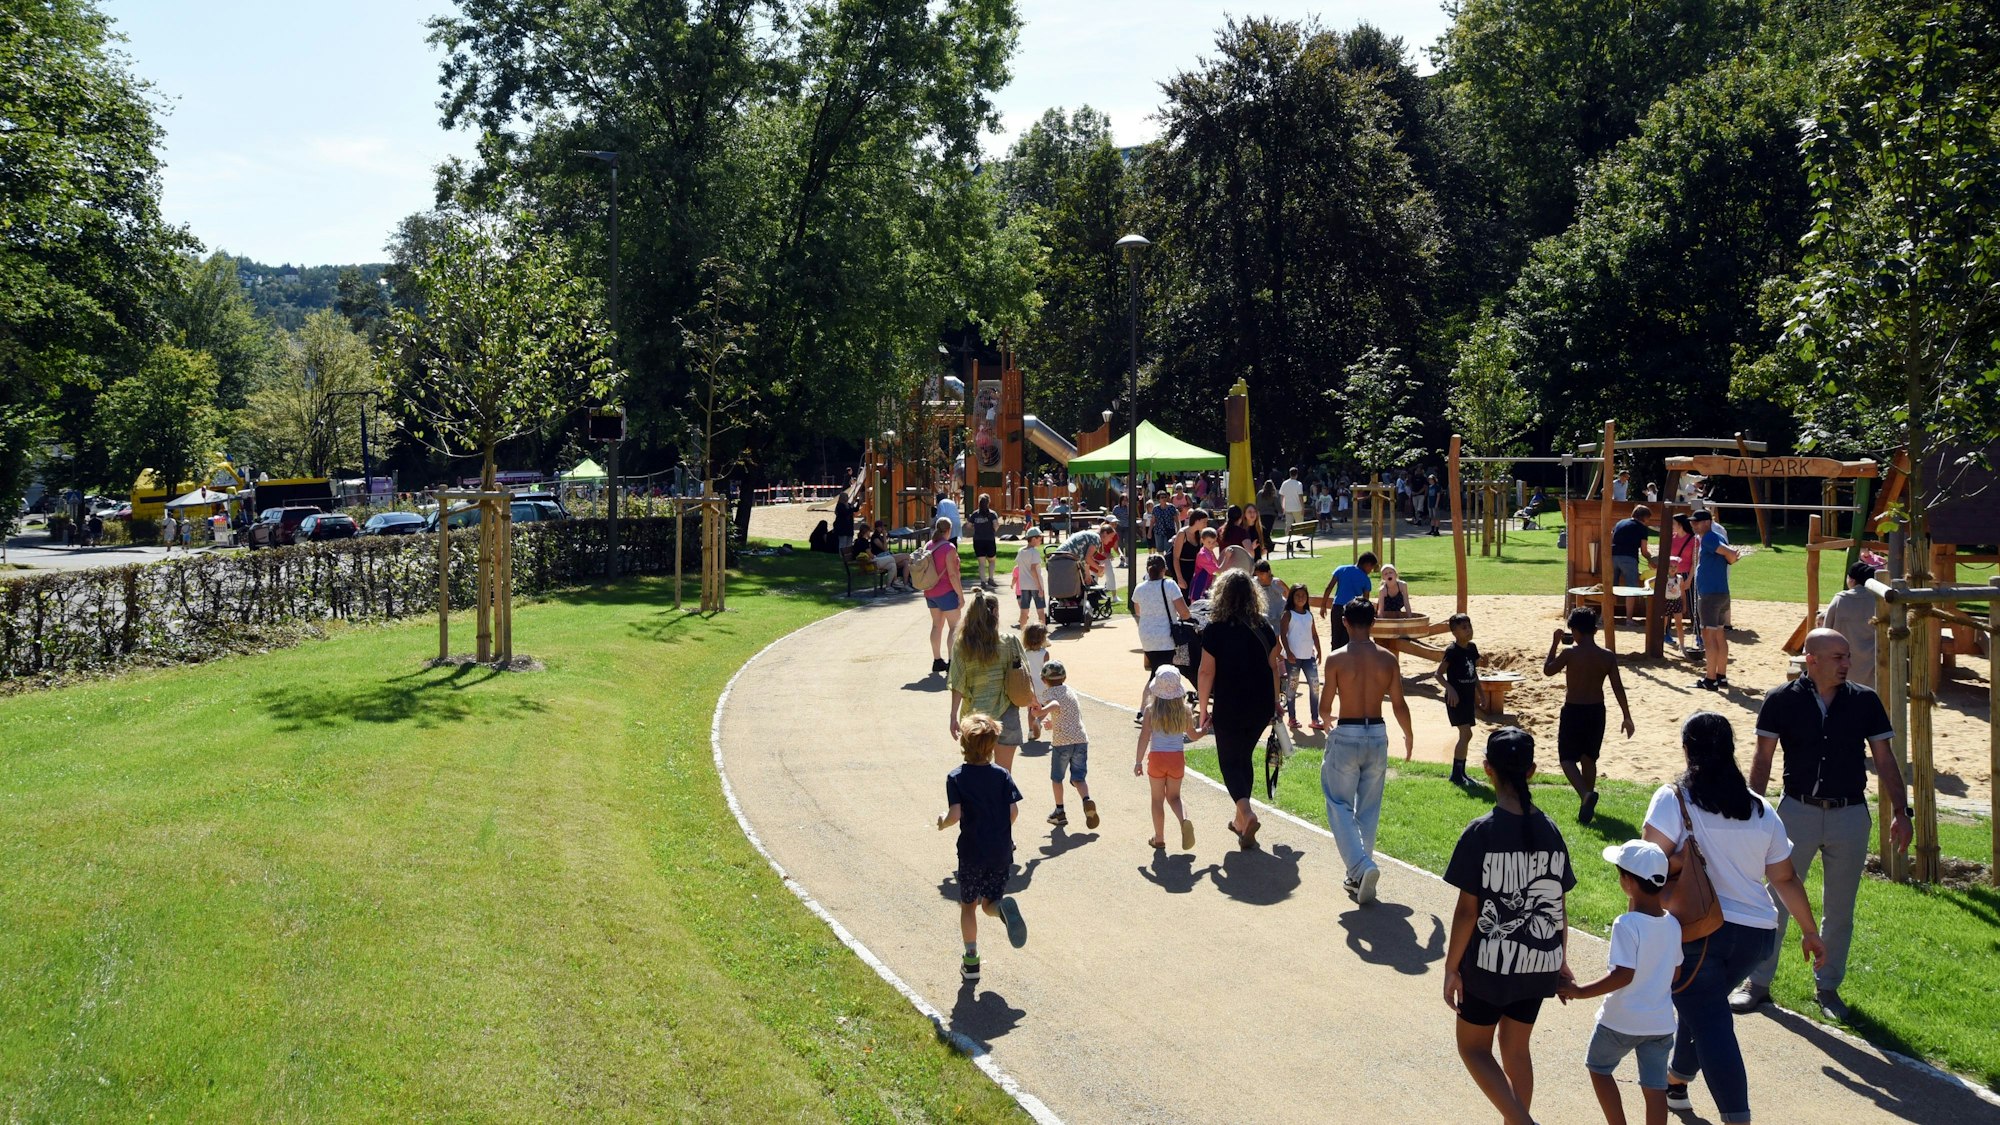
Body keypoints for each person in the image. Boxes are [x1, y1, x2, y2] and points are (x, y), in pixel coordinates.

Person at [1643, 712, 1826, 1122]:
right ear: (1730, 751)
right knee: (1704, 1008)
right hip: (1758, 938)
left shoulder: (1673, 799)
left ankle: (1737, 1117)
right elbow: (1785, 878)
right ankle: (1676, 1080)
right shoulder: (1762, 810)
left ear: (1687, 749)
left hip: (1699, 932)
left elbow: (1646, 864)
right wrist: (1811, 933)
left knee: (1711, 1024)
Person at [1735, 628, 1908, 1022]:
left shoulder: (1865, 701)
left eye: (1847, 656)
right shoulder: (1780, 700)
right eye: (1837, 657)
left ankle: (1827, 988)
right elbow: (1762, 758)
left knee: (1840, 909)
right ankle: (1758, 985)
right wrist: (1752, 812)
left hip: (1850, 815)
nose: (1846, 663)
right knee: (1776, 901)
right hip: (1796, 812)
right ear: (1810, 659)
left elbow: (1884, 759)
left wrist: (1901, 811)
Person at [1443, 727, 1576, 1125]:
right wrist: (1561, 959)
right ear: (1532, 770)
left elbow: (1468, 911)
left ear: (1487, 769)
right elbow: (1559, 904)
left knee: (1474, 1049)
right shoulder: (1551, 830)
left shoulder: (1481, 832)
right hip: (1539, 961)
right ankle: (1517, 1120)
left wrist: (1452, 968)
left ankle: (1521, 1122)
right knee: (1517, 1049)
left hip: (1489, 966)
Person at [1558, 840, 1681, 1125]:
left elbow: (1623, 975)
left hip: (1619, 1022)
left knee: (1599, 1068)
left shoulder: (1625, 924)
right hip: (1660, 1024)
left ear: (1627, 881)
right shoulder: (1673, 924)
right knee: (1655, 1088)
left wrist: (1578, 991)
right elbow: (1675, 973)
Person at [1319, 596, 1414, 900]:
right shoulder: (1388, 659)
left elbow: (1325, 706)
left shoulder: (1335, 659)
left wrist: (1326, 723)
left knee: (1339, 804)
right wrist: (1408, 735)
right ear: (1374, 622)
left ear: (1344, 622)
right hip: (1377, 732)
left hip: (1346, 732)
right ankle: (1357, 876)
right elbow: (1399, 703)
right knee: (1368, 810)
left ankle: (1360, 867)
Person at [936, 713, 1027, 982]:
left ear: (964, 744)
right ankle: (1001, 909)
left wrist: (942, 822)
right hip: (1000, 850)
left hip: (972, 852)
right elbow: (1013, 812)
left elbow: (954, 815)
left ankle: (971, 960)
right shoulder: (1002, 776)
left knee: (968, 906)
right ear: (992, 745)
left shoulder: (956, 777)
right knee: (989, 901)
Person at [1196, 570, 1281, 849]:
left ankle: (1246, 812)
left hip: (1230, 703)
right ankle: (1240, 823)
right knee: (1243, 758)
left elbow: (1206, 672)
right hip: (1259, 705)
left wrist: (1202, 707)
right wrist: (1277, 701)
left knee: (1229, 762)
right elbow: (1275, 667)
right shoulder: (1265, 627)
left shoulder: (1215, 629)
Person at [1544, 605, 1636, 825]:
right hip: (1597, 711)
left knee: (1566, 759)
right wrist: (1627, 715)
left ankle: (1585, 795)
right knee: (1589, 758)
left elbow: (1548, 670)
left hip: (1574, 710)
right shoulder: (1607, 656)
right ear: (1595, 631)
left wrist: (1555, 642)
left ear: (1573, 631)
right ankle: (1587, 801)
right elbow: (1618, 687)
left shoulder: (1569, 653)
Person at [947, 589, 1029, 772]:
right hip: (1007, 712)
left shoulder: (962, 646)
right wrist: (1034, 702)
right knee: (1004, 774)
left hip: (976, 718)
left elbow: (958, 683)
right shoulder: (1009, 641)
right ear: (996, 613)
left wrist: (953, 716)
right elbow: (1023, 676)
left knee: (977, 773)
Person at [1135, 665, 1197, 851]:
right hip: (1177, 759)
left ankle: (1159, 837)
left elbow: (1144, 737)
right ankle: (1184, 820)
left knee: (1157, 799)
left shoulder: (1150, 710)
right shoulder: (1185, 710)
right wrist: (1204, 727)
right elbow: (1193, 735)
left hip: (1157, 759)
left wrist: (1138, 761)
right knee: (1174, 797)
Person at [1033, 660, 1098, 829]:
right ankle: (1086, 800)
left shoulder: (1049, 694)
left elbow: (1055, 704)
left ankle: (1060, 811)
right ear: (1065, 677)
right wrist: (1052, 723)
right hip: (1080, 739)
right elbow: (1068, 715)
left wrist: (1041, 713)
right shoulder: (1070, 691)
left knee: (1057, 778)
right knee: (1078, 777)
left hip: (1062, 743)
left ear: (1044, 680)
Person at [1130, 553, 1193, 702]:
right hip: (1166, 637)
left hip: (1147, 636)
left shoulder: (1139, 588)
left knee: (1158, 670)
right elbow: (1184, 612)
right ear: (1164, 570)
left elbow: (1138, 611)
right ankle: (1144, 709)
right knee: (1159, 673)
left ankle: (1160, 705)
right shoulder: (1170, 585)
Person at [1690, 510, 1741, 690]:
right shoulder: (1718, 537)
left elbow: (1732, 554)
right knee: (1719, 635)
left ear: (1707, 522)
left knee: (1708, 637)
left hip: (1710, 595)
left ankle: (1710, 679)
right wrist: (1732, 556)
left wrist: (1731, 554)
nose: (1693, 525)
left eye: (1697, 522)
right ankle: (1721, 676)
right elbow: (1732, 558)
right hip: (1721, 593)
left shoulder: (1709, 538)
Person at [1817, 561, 1881, 690]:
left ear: (1851, 580)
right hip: (1872, 661)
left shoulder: (1841, 599)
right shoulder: (1879, 600)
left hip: (1843, 660)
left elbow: (1826, 630)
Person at [1437, 613, 1480, 785]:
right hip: (1456, 699)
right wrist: (1450, 689)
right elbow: (1438, 674)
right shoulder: (1452, 651)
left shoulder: (1472, 648)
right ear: (1454, 632)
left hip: (1468, 698)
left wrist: (1481, 694)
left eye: (1469, 626)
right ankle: (1456, 774)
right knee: (1466, 733)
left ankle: (1461, 773)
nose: (1468, 630)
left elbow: (1474, 673)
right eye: (1464, 628)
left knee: (1467, 734)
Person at [921, 517, 963, 674]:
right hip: (946, 591)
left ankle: (937, 660)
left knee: (936, 625)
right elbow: (952, 575)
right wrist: (961, 595)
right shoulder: (949, 548)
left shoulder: (929, 545)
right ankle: (952, 662)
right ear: (949, 530)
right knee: (954, 627)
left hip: (930, 592)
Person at [1279, 583, 1322, 733]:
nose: (1301, 598)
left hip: (1308, 656)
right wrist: (1288, 652)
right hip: (1293, 657)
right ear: (1292, 597)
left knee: (1315, 686)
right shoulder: (1288, 614)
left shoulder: (1309, 614)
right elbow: (1283, 634)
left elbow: (1314, 634)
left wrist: (1319, 650)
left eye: (1303, 595)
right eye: (1297, 595)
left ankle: (1315, 718)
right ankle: (1292, 717)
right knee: (1292, 686)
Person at [1318, 551, 1378, 652]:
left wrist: (1323, 605)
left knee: (1335, 637)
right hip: (1352, 610)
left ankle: (1334, 661)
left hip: (1337, 607)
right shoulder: (1365, 579)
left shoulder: (1341, 569)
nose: (1370, 570)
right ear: (1367, 564)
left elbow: (1329, 588)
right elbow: (1365, 601)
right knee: (1347, 639)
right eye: (1371, 568)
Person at [1610, 505, 1656, 619]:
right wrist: (1651, 561)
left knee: (1609, 587)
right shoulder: (1642, 528)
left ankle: (1605, 617)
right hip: (1629, 558)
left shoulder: (1620, 523)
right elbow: (1644, 551)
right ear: (1645, 518)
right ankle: (1629, 619)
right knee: (1631, 589)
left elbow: (1611, 538)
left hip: (1613, 556)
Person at [1668, 513, 1699, 654]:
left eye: (1674, 523)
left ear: (1680, 524)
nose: (1672, 526)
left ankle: (1698, 633)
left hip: (1686, 573)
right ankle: (1666, 632)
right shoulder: (1671, 538)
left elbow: (1695, 561)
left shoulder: (1693, 540)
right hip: (1671, 575)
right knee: (1668, 602)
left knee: (1692, 603)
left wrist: (1689, 579)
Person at [1021, 622, 1051, 740]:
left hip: (1030, 686)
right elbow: (1047, 670)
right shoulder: (1045, 654)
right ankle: (1038, 720)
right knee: (1047, 705)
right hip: (1043, 685)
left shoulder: (1024, 653)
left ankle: (1030, 731)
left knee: (1031, 709)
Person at [1171, 507, 1210, 591]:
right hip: (1183, 570)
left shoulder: (1200, 534)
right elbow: (1176, 558)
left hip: (1195, 571)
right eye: (1204, 522)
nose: (1206, 525)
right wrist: (1180, 578)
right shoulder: (1182, 533)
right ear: (1197, 521)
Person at [967, 493, 1000, 587]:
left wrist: (976, 527)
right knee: (992, 560)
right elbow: (996, 525)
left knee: (981, 562)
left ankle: (982, 581)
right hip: (989, 539)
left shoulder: (975, 514)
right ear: (989, 502)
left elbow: (968, 525)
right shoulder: (992, 514)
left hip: (978, 540)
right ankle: (991, 579)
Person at [1253, 559, 1288, 631]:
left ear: (1269, 572)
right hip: (1265, 614)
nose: (1259, 576)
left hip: (1278, 613)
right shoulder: (1254, 582)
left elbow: (1288, 595)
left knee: (1277, 637)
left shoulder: (1276, 583)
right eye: (1257, 574)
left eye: (1262, 574)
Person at [1190, 527, 1221, 600]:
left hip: (1207, 585)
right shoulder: (1203, 555)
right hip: (1200, 586)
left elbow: (1217, 565)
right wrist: (1227, 558)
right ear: (1202, 540)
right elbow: (1218, 571)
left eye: (1213, 542)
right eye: (1209, 542)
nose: (1212, 545)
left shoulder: (1210, 551)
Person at [1150, 489, 1178, 557]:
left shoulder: (1172, 507)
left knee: (1168, 548)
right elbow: (1153, 521)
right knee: (1160, 549)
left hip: (1169, 531)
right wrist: (1149, 531)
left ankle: (1168, 562)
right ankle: (1162, 562)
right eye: (1162, 497)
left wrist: (1178, 531)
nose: (1164, 498)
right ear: (1159, 499)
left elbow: (1176, 521)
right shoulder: (1155, 509)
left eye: (1165, 497)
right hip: (1158, 531)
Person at [1279, 468, 1306, 536]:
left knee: (1288, 525)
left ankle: (1288, 541)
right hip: (1297, 507)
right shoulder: (1299, 484)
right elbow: (1300, 497)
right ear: (1296, 474)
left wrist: (1283, 506)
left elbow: (1282, 496)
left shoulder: (1284, 483)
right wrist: (1303, 507)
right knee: (1299, 525)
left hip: (1288, 507)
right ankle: (1299, 541)